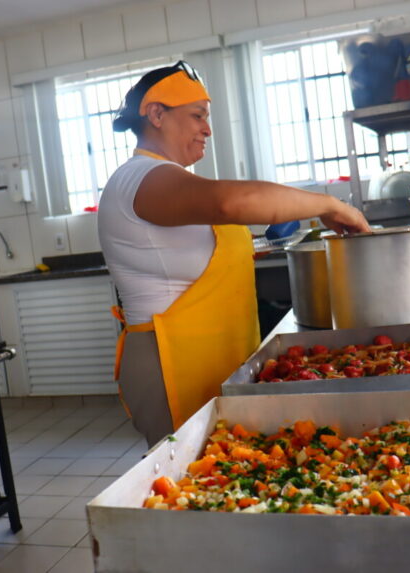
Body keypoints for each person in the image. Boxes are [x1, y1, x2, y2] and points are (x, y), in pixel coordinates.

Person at [98, 60, 370, 446]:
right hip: (173, 365)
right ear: (156, 114)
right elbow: (233, 202)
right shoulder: (141, 177)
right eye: (197, 116)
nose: (207, 129)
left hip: (207, 358)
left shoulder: (168, 178)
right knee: (190, 487)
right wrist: (330, 205)